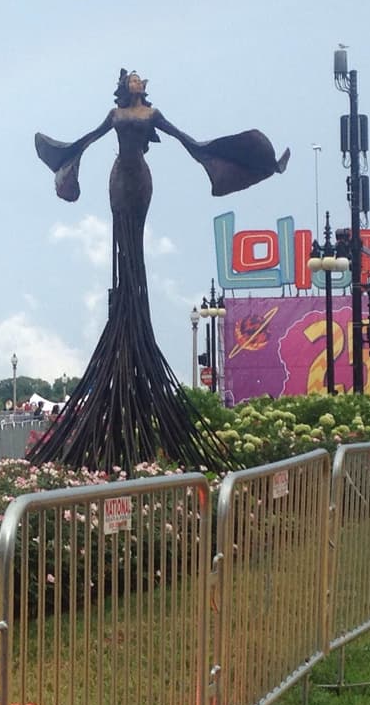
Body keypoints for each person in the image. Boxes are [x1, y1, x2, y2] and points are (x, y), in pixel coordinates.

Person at [31, 69, 287, 471]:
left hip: (142, 182)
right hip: (118, 179)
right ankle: (127, 323)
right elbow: (87, 141)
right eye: (132, 79)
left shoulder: (152, 114)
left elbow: (191, 142)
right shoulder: (115, 116)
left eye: (139, 79)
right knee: (122, 246)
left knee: (135, 253)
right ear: (125, 86)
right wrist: (61, 154)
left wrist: (236, 159)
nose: (137, 82)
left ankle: (131, 325)